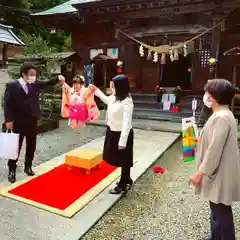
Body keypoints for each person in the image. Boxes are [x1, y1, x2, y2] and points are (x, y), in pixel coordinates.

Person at [189, 79, 240, 240]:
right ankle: (216, 236)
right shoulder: (222, 114)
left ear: (214, 97)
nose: (205, 96)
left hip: (219, 172)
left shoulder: (221, 117)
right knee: (217, 208)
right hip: (219, 170)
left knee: (220, 210)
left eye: (207, 93)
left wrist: (200, 172)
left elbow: (214, 150)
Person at [3, 62, 58, 183]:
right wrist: (8, 120)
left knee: (31, 145)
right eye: (31, 74)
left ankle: (28, 166)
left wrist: (58, 78)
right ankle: (12, 169)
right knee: (15, 146)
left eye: (35, 74)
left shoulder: (35, 84)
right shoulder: (12, 85)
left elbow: (47, 83)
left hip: (32, 120)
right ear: (24, 74)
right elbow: (7, 104)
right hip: (17, 121)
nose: (34, 76)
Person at [89, 74, 134, 194]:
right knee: (117, 157)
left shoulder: (127, 101)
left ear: (120, 87)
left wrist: (123, 141)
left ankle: (123, 183)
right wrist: (96, 90)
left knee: (124, 159)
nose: (111, 88)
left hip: (123, 134)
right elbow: (106, 99)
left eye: (113, 86)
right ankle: (127, 179)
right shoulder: (115, 97)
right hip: (112, 131)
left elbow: (126, 122)